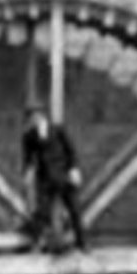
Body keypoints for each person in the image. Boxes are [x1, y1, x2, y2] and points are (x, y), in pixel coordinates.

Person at [19, 106, 85, 252]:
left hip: (63, 174)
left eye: (36, 117)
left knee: (74, 210)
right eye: (31, 119)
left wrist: (74, 169)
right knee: (42, 212)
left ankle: (81, 243)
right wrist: (27, 173)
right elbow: (28, 158)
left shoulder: (58, 130)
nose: (34, 121)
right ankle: (36, 243)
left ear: (42, 116)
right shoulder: (29, 136)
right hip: (45, 178)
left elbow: (70, 150)